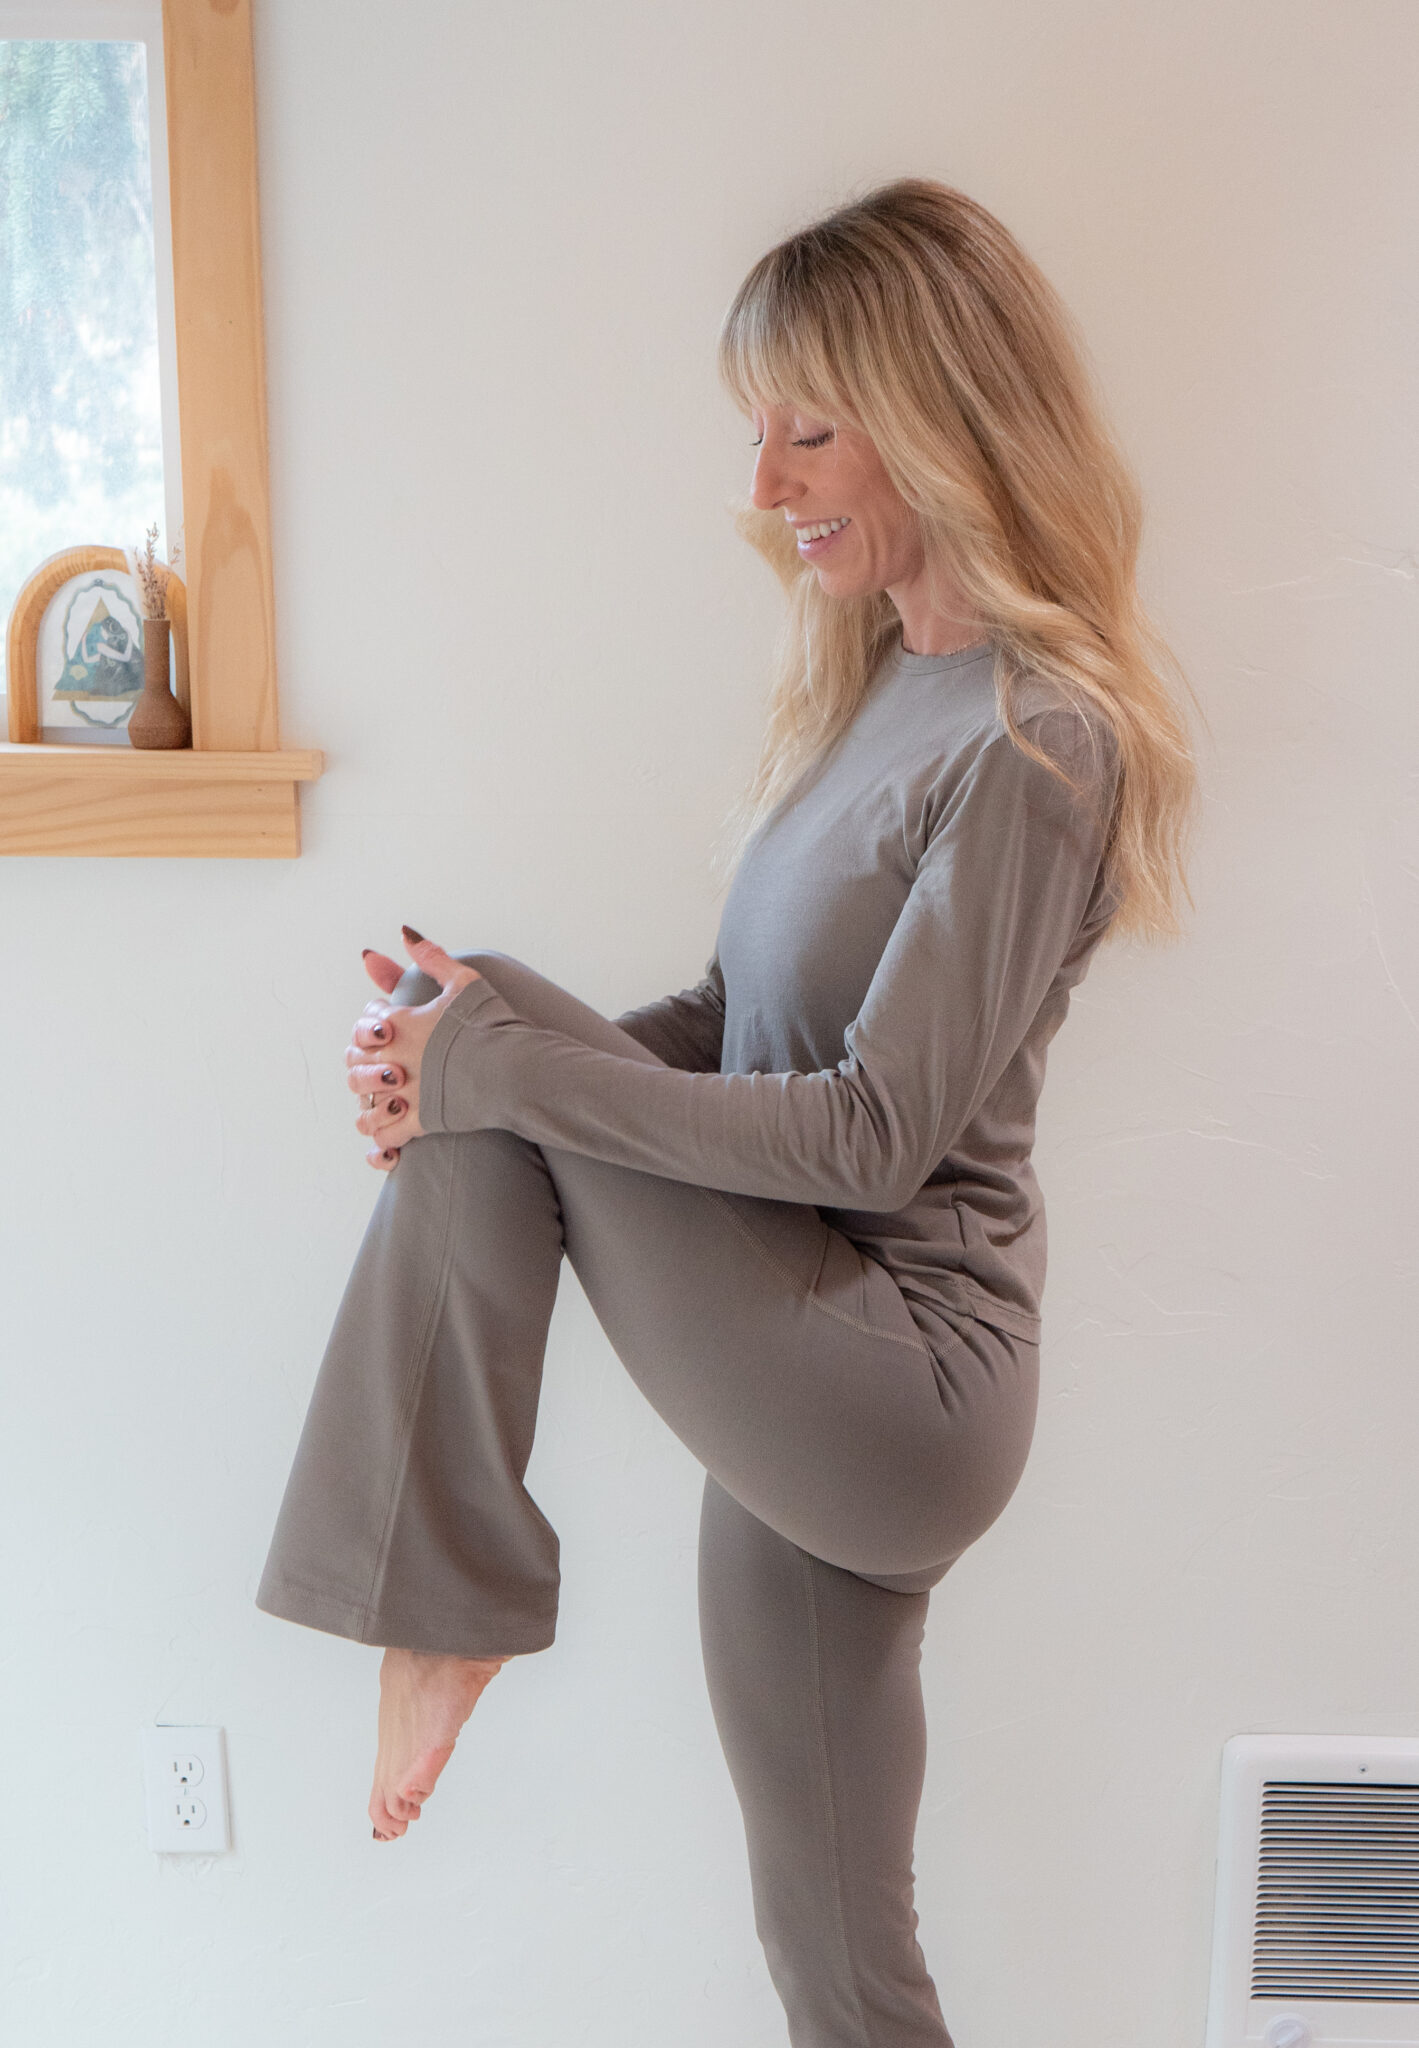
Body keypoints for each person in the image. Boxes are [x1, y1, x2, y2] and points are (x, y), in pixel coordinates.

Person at [256, 176, 1196, 2047]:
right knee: (836, 1954)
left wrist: (501, 1077)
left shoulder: (1041, 735)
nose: (764, 486)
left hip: (895, 1373)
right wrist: (490, 1086)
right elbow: (726, 1022)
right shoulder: (883, 689)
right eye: (754, 433)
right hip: (796, 1332)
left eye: (805, 428)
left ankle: (438, 1595)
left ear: (937, 409)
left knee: (496, 1031)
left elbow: (867, 1133)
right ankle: (439, 1576)